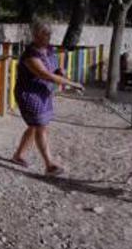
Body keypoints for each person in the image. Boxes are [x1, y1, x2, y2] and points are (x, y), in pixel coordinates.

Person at [11, 21, 84, 175]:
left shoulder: (49, 50)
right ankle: (49, 165)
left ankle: (18, 155)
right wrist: (72, 84)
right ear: (36, 35)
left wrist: (60, 71)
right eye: (45, 34)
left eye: (49, 34)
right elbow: (45, 74)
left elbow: (53, 69)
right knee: (40, 126)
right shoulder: (30, 55)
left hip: (43, 93)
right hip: (29, 94)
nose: (48, 38)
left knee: (34, 125)